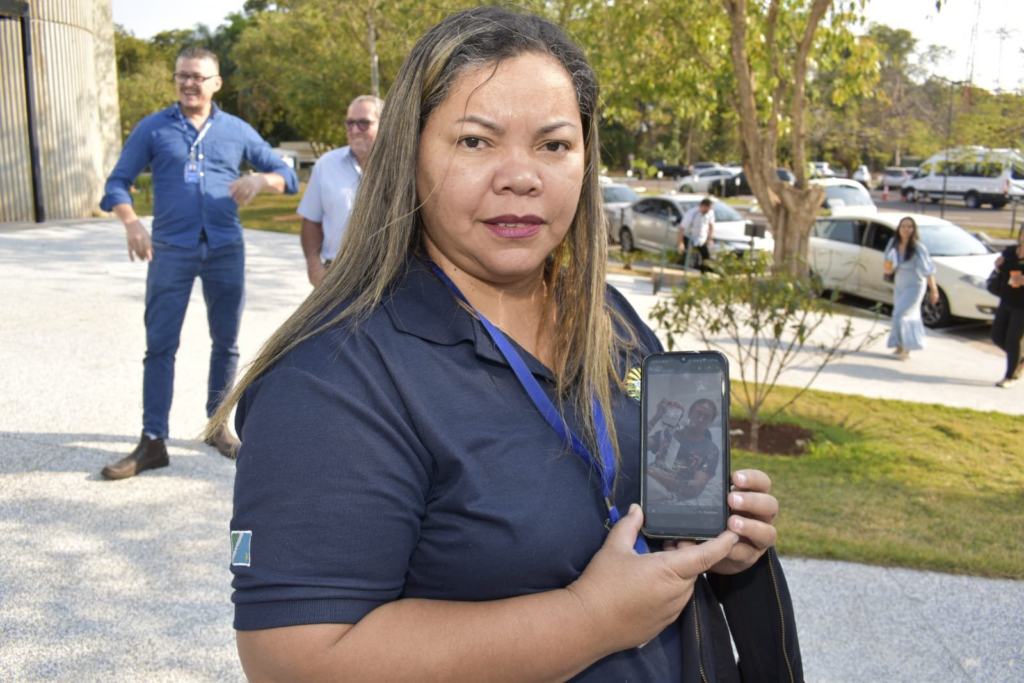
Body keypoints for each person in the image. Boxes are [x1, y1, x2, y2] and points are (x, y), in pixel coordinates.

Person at [210, 8, 800, 681]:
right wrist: (586, 618)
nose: (521, 176)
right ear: (409, 150)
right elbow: (296, 661)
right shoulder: (331, 378)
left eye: (553, 145)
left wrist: (713, 537)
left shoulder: (609, 318)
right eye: (476, 141)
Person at [98, 47, 298, 479]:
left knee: (226, 343)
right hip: (169, 249)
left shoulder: (237, 130)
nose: (189, 83)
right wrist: (132, 222)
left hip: (226, 248)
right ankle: (153, 441)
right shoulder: (154, 128)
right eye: (182, 76)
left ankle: (216, 425)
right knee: (161, 345)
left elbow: (289, 178)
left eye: (198, 77)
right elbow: (116, 183)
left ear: (216, 83)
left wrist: (261, 178)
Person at [298, 95, 383, 286]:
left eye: (363, 123)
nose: (354, 130)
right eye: (350, 123)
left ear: (385, 124)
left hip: (390, 280)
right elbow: (311, 221)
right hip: (335, 278)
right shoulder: (326, 165)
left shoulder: (403, 167)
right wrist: (314, 268)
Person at [884, 216, 938, 360]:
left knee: (902, 314)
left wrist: (934, 289)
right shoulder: (893, 244)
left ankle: (906, 348)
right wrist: (888, 269)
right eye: (903, 226)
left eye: (909, 227)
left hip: (915, 286)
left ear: (914, 230)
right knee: (900, 314)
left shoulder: (918, 247)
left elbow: (928, 270)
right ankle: (900, 346)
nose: (906, 229)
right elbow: (887, 262)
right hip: (900, 284)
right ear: (899, 228)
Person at [647, 399, 721, 503]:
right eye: (698, 413)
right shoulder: (670, 434)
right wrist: (656, 417)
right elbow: (637, 443)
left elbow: (695, 488)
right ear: (690, 414)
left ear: (710, 422)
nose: (700, 419)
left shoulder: (710, 450)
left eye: (706, 417)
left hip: (668, 490)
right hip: (648, 476)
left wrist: (660, 477)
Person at [990, 230, 1024, 388]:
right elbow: (1001, 273)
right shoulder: (1010, 252)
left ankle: (1009, 377)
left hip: (1022, 305)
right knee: (997, 336)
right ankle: (1019, 358)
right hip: (1006, 300)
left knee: (1013, 338)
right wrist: (998, 267)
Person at [679, 197, 714, 272]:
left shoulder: (710, 213)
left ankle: (705, 274)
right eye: (708, 208)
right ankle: (682, 272)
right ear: (704, 206)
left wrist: (710, 238)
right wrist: (681, 243)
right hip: (689, 236)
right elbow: (681, 229)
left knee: (706, 257)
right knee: (687, 256)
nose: (709, 210)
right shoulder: (691, 213)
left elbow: (711, 225)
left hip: (701, 238)